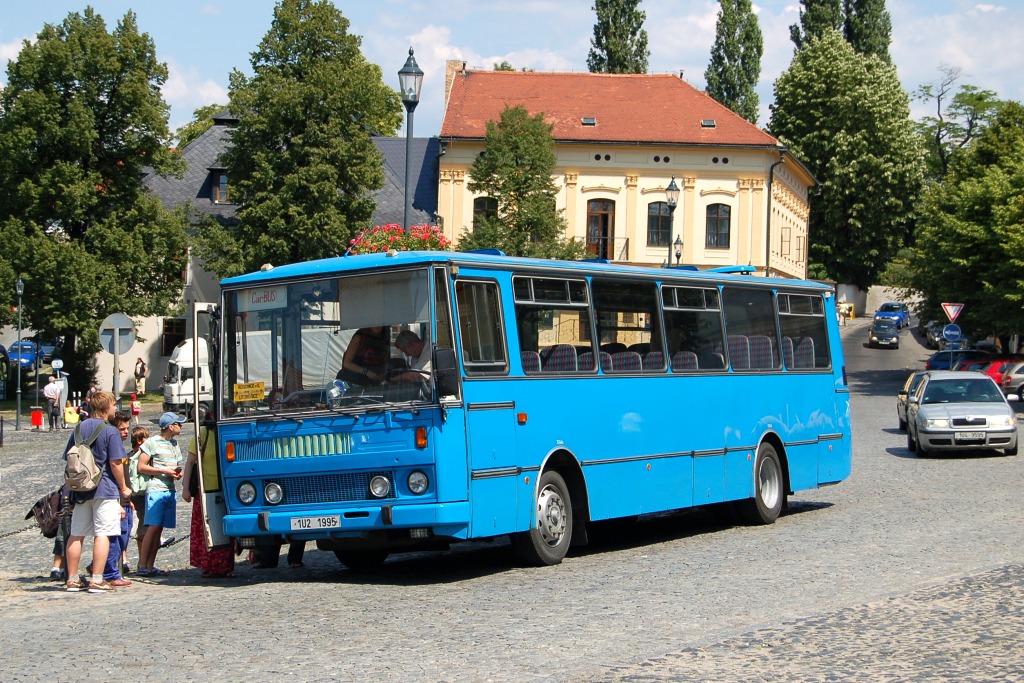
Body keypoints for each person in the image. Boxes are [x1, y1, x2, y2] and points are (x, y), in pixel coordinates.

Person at [63, 390, 131, 593]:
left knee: (76, 534)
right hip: (105, 488)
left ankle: (72, 579)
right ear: (105, 407)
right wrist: (123, 487)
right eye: (113, 405)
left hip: (81, 488)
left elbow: (68, 458)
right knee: (103, 534)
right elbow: (115, 462)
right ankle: (97, 579)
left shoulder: (78, 428)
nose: (115, 409)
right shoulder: (109, 431)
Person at [182, 425, 236, 578]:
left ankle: (226, 566)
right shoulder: (203, 435)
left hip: (228, 489)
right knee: (206, 530)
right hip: (206, 490)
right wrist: (185, 489)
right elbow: (190, 463)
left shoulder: (228, 431)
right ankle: (207, 566)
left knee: (225, 530)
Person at [136, 412, 185, 576]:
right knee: (153, 526)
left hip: (169, 490)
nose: (181, 426)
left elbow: (176, 465)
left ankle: (150, 566)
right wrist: (163, 470)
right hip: (156, 489)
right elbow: (141, 467)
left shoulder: (175, 444)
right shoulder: (152, 443)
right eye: (179, 424)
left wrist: (177, 474)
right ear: (171, 426)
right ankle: (142, 564)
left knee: (159, 529)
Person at [89, 412, 133, 587]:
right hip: (115, 498)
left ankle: (105, 568)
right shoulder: (112, 448)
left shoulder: (121, 448)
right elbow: (114, 475)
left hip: (124, 498)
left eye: (127, 429)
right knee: (116, 536)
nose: (125, 432)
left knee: (124, 535)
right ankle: (110, 572)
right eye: (122, 429)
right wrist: (120, 501)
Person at [127, 425, 151, 567]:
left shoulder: (128, 455)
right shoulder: (143, 456)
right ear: (140, 440)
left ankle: (125, 561)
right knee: (143, 527)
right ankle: (143, 560)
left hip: (132, 493)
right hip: (141, 493)